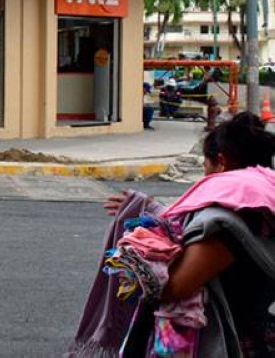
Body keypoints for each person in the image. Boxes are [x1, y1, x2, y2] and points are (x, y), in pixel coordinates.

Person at [69, 112, 275, 357]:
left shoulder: (228, 219)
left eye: (205, 163)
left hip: (230, 343)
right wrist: (150, 209)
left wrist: (141, 266)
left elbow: (176, 286)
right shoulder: (261, 202)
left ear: (221, 161)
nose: (204, 172)